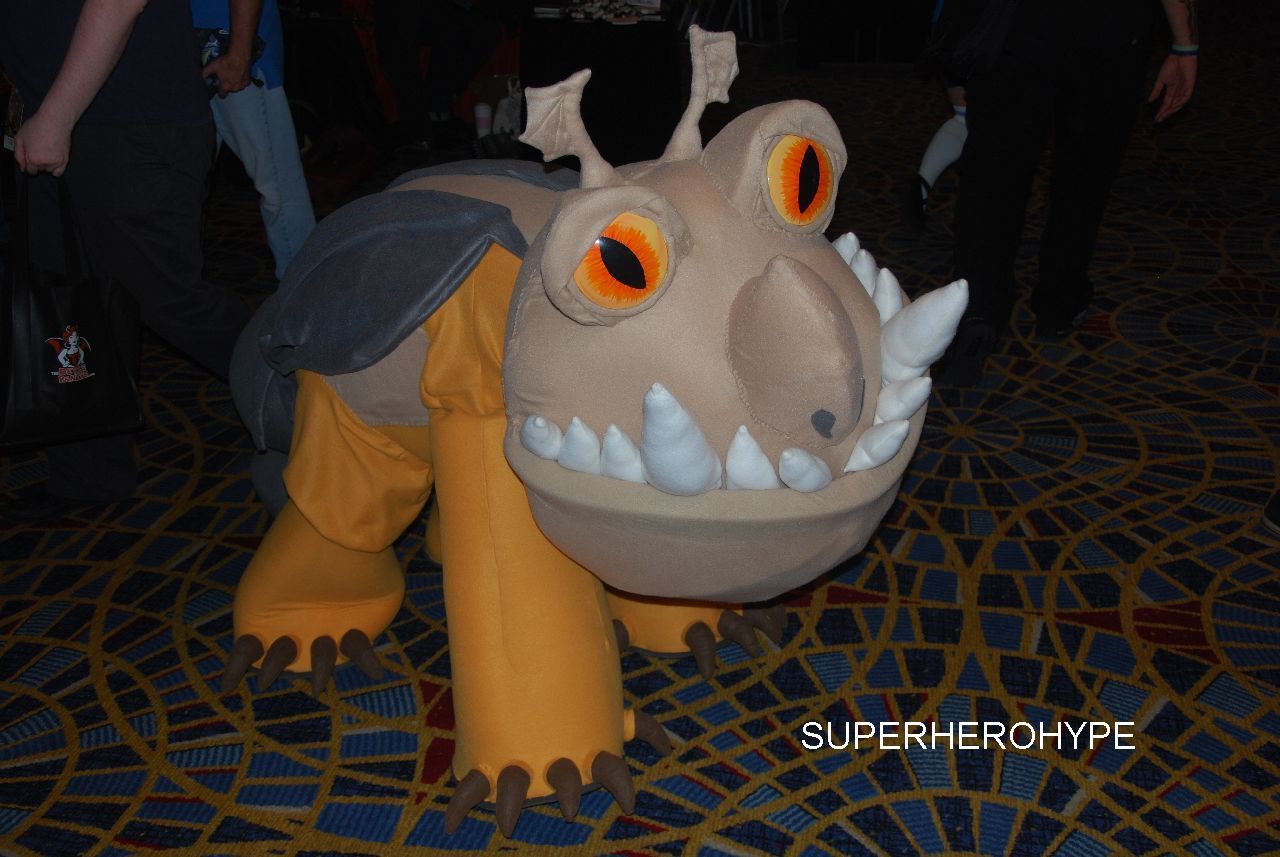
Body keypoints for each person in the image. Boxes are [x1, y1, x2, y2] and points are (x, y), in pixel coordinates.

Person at [0, 0, 251, 522]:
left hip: (129, 122)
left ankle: (332, 407)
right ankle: (88, 474)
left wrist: (57, 114)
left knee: (172, 302)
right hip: (61, 116)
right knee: (72, 309)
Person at [935, 0, 1199, 386]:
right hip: (1112, 28)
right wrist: (1185, 44)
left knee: (994, 175)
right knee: (1086, 174)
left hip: (1018, 24)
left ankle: (978, 306)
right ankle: (1059, 299)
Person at [191, 0, 316, 280]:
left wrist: (240, 52)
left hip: (230, 42)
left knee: (277, 185)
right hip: (183, 42)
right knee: (183, 188)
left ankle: (304, 288)